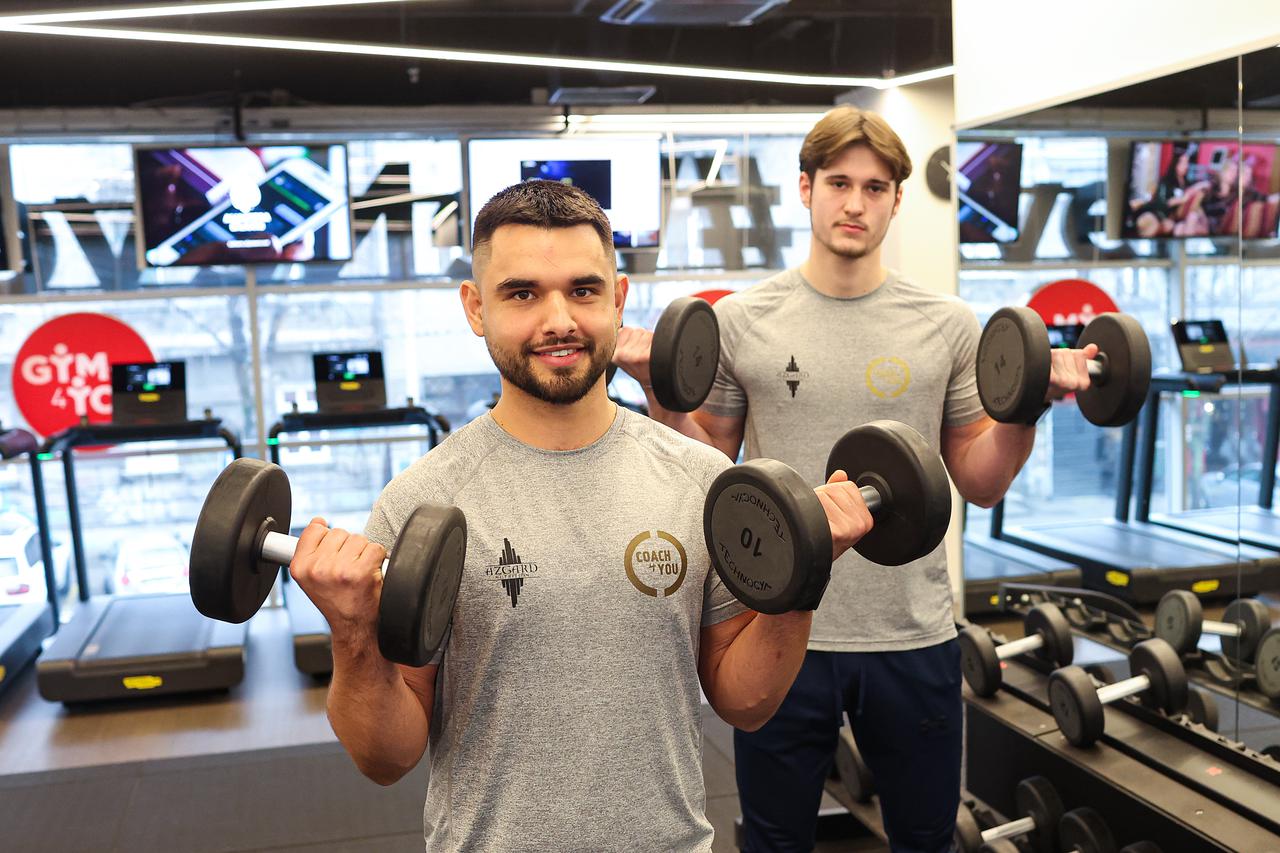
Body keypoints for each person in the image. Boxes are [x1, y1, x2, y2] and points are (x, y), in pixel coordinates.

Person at [287, 179, 874, 852]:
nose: (559, 319)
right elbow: (384, 757)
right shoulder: (423, 500)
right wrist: (352, 632)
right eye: (522, 293)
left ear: (618, 300)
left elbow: (745, 703)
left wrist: (802, 579)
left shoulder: (701, 479)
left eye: (583, 290)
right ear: (475, 307)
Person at [613, 106, 1094, 853]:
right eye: (839, 182)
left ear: (897, 200)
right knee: (774, 841)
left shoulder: (948, 323)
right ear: (806, 188)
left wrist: (1027, 405)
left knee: (927, 840)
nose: (855, 203)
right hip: (775, 627)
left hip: (911, 631)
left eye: (874, 188)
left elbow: (981, 480)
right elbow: (707, 467)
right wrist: (659, 391)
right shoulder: (742, 320)